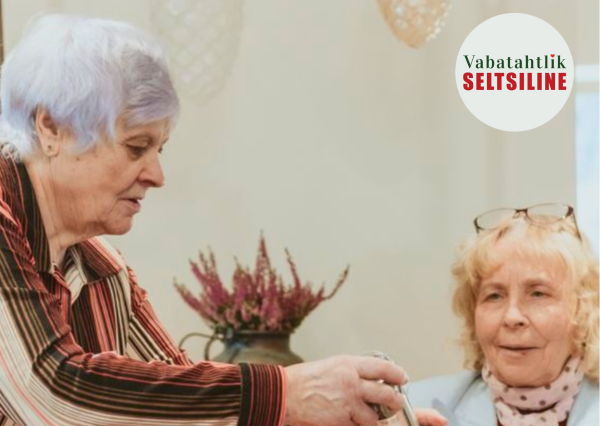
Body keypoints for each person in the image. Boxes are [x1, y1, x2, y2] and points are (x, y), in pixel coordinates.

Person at [0, 13, 437, 426]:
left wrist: (348, 415)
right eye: (136, 147)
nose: (157, 175)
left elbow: (184, 407)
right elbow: (49, 394)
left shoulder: (104, 271)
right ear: (51, 128)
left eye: (159, 149)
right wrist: (289, 392)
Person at [407, 204, 599, 426]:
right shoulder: (409, 408)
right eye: (495, 296)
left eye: (538, 293)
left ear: (584, 311)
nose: (512, 317)